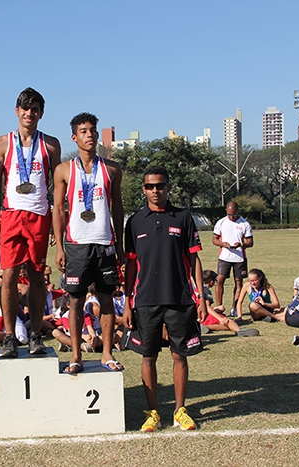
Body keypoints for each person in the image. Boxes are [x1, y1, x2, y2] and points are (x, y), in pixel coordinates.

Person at [123, 165, 206, 432]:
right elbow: (131, 266)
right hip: (145, 299)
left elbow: (194, 259)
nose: (155, 190)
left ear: (168, 187)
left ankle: (180, 410)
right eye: (150, 186)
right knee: (148, 356)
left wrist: (201, 297)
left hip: (180, 297)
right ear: (144, 189)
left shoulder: (182, 217)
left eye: (160, 185)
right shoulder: (135, 221)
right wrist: (126, 300)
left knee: (179, 356)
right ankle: (153, 413)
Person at [0, 87, 61, 358]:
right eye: (25, 108)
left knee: (36, 276)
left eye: (35, 109)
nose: (29, 113)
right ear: (16, 111)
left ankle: (34, 334)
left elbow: (57, 188)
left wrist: (57, 224)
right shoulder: (2, 143)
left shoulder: (51, 145)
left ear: (41, 113)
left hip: (39, 215)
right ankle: (9, 335)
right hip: (11, 215)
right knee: (8, 276)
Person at [53, 112, 124, 373]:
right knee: (75, 302)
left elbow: (118, 208)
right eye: (83, 131)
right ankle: (75, 355)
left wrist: (121, 245)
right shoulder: (63, 170)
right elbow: (58, 209)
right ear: (74, 137)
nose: (90, 134)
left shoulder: (112, 169)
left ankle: (106, 353)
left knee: (106, 300)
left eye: (93, 130)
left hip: (104, 243)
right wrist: (60, 247)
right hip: (76, 245)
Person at [212, 202, 253, 316]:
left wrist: (240, 244)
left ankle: (235, 307)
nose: (231, 217)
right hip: (224, 256)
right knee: (219, 279)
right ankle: (219, 307)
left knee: (238, 282)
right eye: (229, 214)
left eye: (234, 214)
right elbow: (214, 239)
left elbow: (250, 242)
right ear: (226, 211)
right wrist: (223, 244)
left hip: (239, 257)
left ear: (238, 212)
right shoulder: (221, 222)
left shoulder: (245, 224)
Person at [199, 270, 259, 337]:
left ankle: (203, 326)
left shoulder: (196, 287)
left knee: (222, 312)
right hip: (202, 315)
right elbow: (207, 307)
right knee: (228, 322)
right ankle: (239, 331)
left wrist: (216, 309)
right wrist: (220, 318)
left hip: (195, 316)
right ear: (211, 282)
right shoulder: (206, 291)